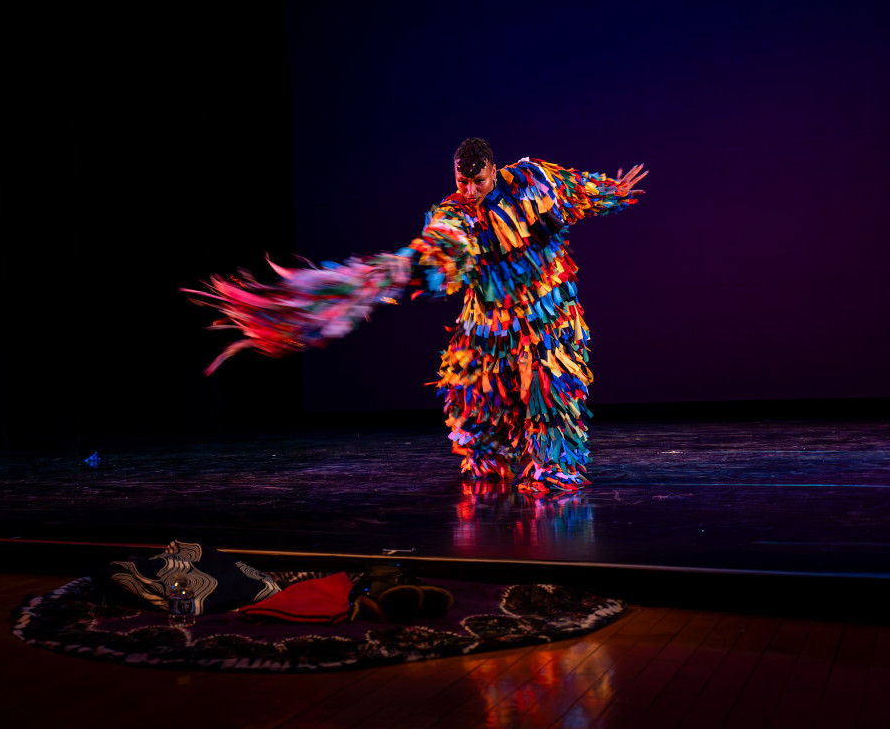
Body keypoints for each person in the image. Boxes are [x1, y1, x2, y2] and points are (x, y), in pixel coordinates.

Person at [184, 138, 646, 494]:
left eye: (478, 182)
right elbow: (442, 245)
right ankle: (489, 462)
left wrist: (613, 191)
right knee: (468, 395)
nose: (470, 191)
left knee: (548, 391)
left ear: (494, 169)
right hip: (490, 321)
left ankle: (555, 470)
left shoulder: (533, 179)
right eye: (462, 182)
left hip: (548, 316)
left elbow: (580, 192)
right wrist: (399, 266)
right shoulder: (453, 211)